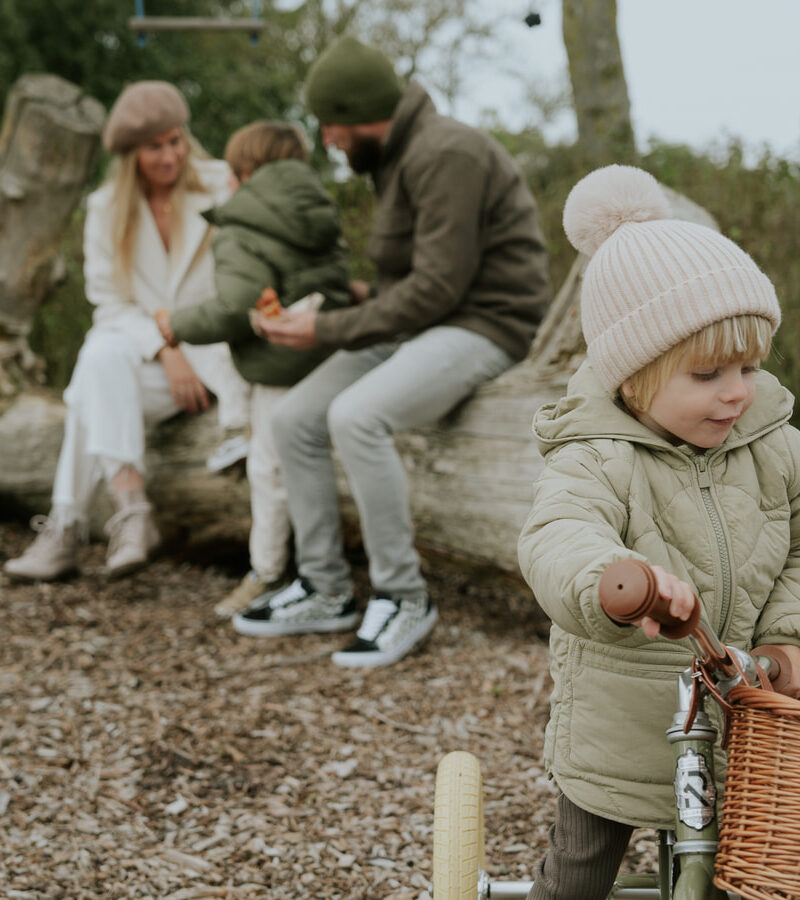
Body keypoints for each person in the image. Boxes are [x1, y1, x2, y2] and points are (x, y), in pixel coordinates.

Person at [516, 164, 800, 900]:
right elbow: (558, 533)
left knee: (747, 875)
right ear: (634, 376)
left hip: (744, 724)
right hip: (617, 730)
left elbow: (799, 548)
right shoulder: (596, 456)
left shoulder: (775, 445)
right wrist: (615, 583)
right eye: (708, 374)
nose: (737, 390)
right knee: (579, 874)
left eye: (748, 365)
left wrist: (787, 640)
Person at [233, 35, 552, 668]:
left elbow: (437, 289)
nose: (326, 139)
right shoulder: (397, 155)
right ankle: (325, 588)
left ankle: (404, 597)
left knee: (357, 416)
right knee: (294, 419)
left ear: (361, 115)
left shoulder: (447, 153)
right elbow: (412, 281)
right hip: (426, 322)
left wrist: (325, 332)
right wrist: (330, 303)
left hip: (486, 324)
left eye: (331, 125)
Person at [4, 80, 250, 582]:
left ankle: (65, 530)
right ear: (131, 153)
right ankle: (131, 510)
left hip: (216, 359)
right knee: (100, 359)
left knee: (86, 390)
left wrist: (181, 341)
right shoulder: (105, 208)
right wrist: (165, 348)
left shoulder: (219, 183)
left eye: (176, 140)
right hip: (152, 370)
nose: (169, 156)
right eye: (154, 146)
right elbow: (109, 302)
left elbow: (239, 279)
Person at [154, 120, 352, 617]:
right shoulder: (318, 209)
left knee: (270, 471)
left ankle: (269, 572)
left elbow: (236, 305)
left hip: (279, 363)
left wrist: (176, 324)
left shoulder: (242, 223)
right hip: (326, 352)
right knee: (297, 462)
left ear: (243, 172)